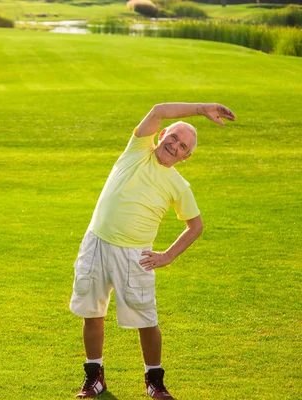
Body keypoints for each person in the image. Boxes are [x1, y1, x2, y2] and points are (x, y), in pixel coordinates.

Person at [70, 103, 235, 399]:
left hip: (135, 257)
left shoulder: (179, 185)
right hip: (96, 244)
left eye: (183, 146)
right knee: (92, 313)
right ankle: (94, 378)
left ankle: (154, 381)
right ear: (161, 135)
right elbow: (158, 109)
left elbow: (195, 226)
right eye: (173, 137)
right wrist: (201, 109)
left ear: (186, 157)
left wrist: (168, 256)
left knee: (146, 321)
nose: (175, 145)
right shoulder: (137, 150)